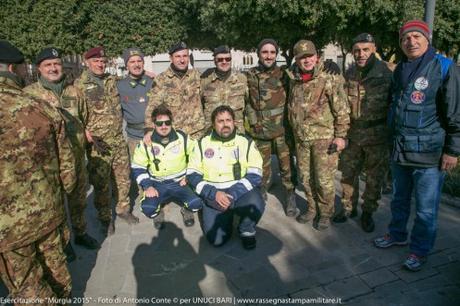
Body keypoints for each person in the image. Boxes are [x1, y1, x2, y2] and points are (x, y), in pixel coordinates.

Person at [374, 20, 460, 271]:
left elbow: (455, 114)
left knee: (425, 209)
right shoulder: (401, 68)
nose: (411, 42)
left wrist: (452, 151)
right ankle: (397, 234)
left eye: (416, 36)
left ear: (427, 38)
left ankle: (419, 250)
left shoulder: (444, 67)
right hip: (400, 151)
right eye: (405, 38)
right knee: (399, 199)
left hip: (430, 155)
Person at [0, 40, 76, 300]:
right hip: (49, 212)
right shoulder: (40, 106)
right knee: (58, 273)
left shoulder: (65, 93)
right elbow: (67, 166)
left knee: (27, 288)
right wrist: (65, 192)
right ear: (14, 68)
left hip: (8, 229)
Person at [24, 47, 99, 251]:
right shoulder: (29, 95)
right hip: (48, 161)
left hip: (75, 156)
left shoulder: (74, 91)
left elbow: (84, 118)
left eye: (56, 64)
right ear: (38, 68)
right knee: (55, 204)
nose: (53, 68)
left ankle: (81, 232)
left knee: (78, 198)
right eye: (48, 65)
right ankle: (63, 243)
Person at [286, 40, 350, 230]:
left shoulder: (329, 77)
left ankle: (325, 213)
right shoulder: (294, 79)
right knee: (306, 178)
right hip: (302, 139)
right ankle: (312, 208)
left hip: (324, 139)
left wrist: (341, 136)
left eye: (310, 56)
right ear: (296, 60)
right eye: (302, 57)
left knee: (324, 179)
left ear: (317, 57)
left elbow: (342, 110)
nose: (306, 60)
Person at [74, 46, 139, 235]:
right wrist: (85, 133)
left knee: (123, 178)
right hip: (98, 144)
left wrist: (147, 73)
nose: (100, 64)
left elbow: (131, 80)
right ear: (88, 63)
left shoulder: (112, 80)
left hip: (118, 140)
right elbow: (74, 115)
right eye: (96, 61)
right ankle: (105, 218)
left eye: (102, 61)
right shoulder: (79, 86)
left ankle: (123, 209)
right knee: (101, 183)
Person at [333, 33, 393, 233]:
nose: (361, 54)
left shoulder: (387, 72)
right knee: (348, 175)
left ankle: (368, 212)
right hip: (354, 134)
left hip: (377, 135)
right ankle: (349, 208)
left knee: (375, 179)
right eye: (357, 50)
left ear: (374, 49)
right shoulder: (349, 74)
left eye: (366, 49)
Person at [144, 41, 206, 225]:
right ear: (171, 58)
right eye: (178, 56)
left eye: (185, 56)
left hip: (195, 133)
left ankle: (188, 207)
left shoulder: (197, 76)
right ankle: (157, 207)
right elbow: (152, 106)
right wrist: (149, 129)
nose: (182, 59)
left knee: (193, 171)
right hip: (173, 136)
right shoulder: (162, 79)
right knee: (164, 171)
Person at [187, 105, 265, 249]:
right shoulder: (202, 144)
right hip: (213, 194)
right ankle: (225, 216)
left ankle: (246, 230)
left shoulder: (245, 142)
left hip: (240, 192)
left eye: (228, 120)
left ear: (234, 122)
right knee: (216, 241)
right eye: (220, 121)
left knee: (257, 202)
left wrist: (232, 194)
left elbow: (255, 174)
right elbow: (192, 174)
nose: (225, 124)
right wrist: (213, 193)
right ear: (213, 124)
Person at [245, 38, 296, 216]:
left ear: (276, 54)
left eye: (272, 52)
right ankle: (263, 189)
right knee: (262, 166)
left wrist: (331, 66)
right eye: (265, 52)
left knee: (286, 165)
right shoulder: (249, 75)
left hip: (281, 129)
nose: (268, 56)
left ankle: (290, 194)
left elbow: (307, 73)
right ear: (258, 54)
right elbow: (248, 102)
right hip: (260, 130)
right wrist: (253, 121)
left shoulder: (285, 73)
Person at [131, 105, 203, 229]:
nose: (164, 126)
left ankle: (186, 210)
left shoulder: (183, 138)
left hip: (180, 182)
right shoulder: (146, 143)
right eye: (159, 123)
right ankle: (158, 212)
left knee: (198, 203)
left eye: (167, 122)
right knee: (148, 210)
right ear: (154, 125)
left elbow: (197, 155)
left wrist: (189, 176)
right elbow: (138, 167)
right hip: (157, 184)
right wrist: (147, 186)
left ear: (171, 123)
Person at [201, 45, 248, 132]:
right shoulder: (205, 80)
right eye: (220, 59)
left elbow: (249, 104)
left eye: (227, 59)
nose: (224, 62)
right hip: (212, 133)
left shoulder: (242, 79)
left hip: (237, 133)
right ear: (214, 61)